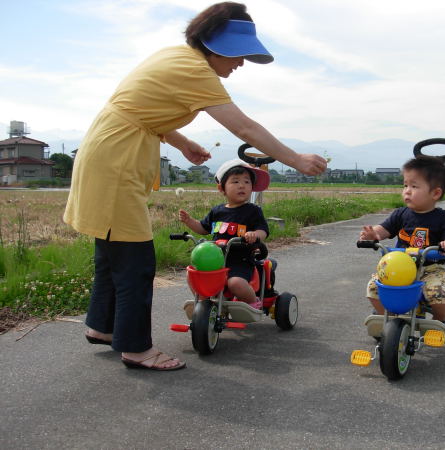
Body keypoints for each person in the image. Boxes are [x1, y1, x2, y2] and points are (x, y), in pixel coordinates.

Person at [63, 2, 327, 371]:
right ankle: (136, 348)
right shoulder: (195, 69)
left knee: (112, 254)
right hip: (116, 161)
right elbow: (245, 128)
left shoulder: (174, 57)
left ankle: (103, 327)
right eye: (239, 55)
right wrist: (295, 159)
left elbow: (143, 109)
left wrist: (180, 142)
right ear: (218, 46)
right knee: (135, 261)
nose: (240, 64)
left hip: (109, 151)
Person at [359, 155, 445, 324]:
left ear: (435, 193)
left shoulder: (442, 218)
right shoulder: (400, 214)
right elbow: (383, 230)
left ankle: (439, 320)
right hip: (399, 267)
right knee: (374, 287)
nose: (407, 190)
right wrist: (373, 235)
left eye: (414, 186)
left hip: (431, 268)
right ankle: (390, 320)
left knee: (439, 293)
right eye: (405, 185)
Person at [179, 159, 270, 317]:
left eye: (247, 182)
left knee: (235, 283)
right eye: (235, 181)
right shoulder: (217, 211)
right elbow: (203, 228)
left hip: (240, 261)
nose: (242, 185)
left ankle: (253, 302)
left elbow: (263, 230)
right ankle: (204, 302)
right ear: (222, 188)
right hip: (215, 260)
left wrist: (255, 235)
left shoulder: (253, 211)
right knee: (193, 274)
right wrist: (189, 222)